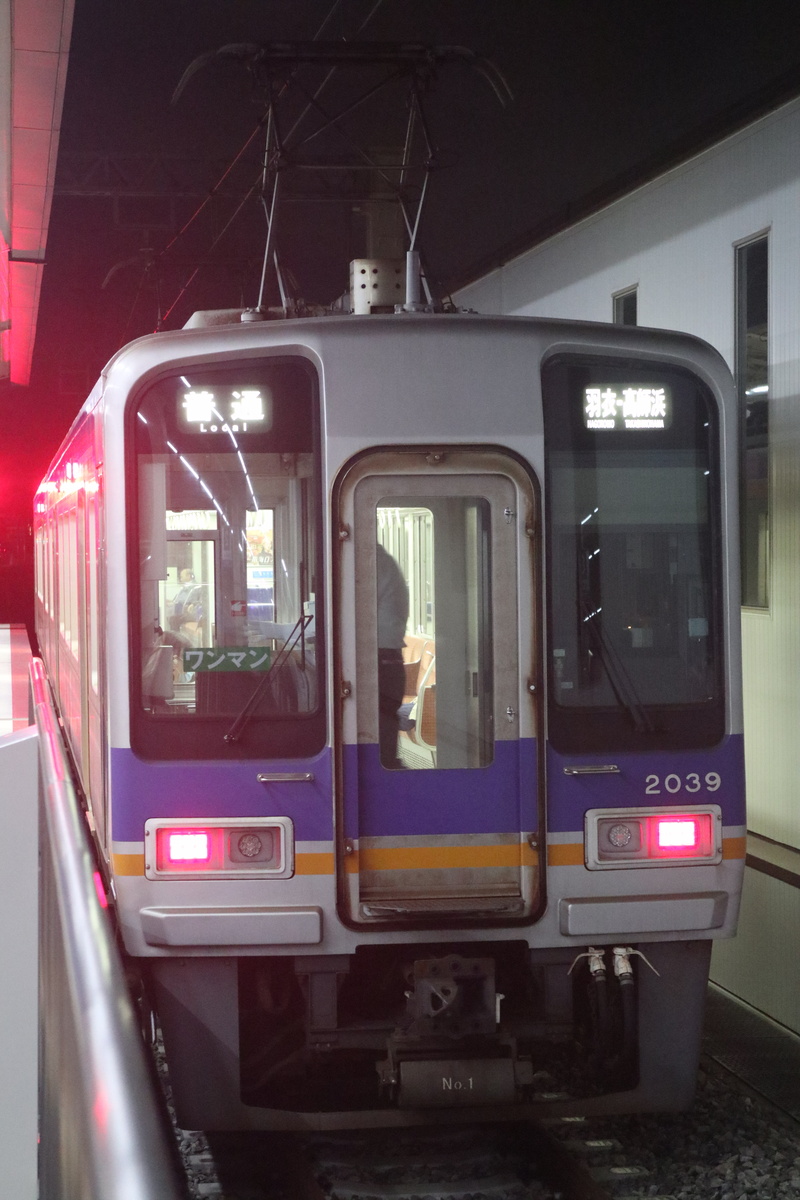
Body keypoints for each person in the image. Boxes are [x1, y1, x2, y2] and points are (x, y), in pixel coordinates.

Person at [376, 543, 409, 769]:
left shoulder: (374, 563)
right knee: (385, 734)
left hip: (381, 663)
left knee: (381, 742)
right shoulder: (385, 563)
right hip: (389, 661)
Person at [169, 568, 202, 633]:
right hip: (182, 610)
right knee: (171, 617)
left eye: (182, 576)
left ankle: (176, 637)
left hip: (190, 612)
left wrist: (192, 604)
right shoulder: (184, 587)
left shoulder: (195, 587)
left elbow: (189, 600)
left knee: (174, 619)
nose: (180, 579)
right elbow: (178, 599)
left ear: (188, 576)